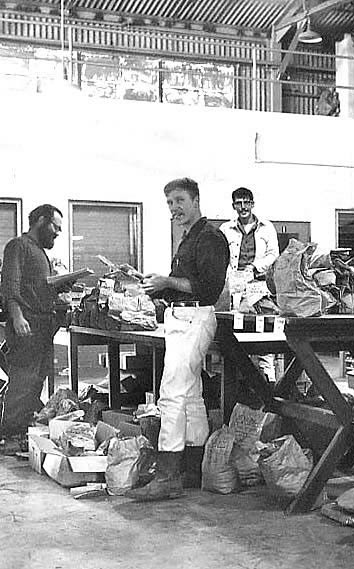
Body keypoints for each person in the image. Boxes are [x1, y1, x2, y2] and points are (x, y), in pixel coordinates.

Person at [129, 177, 229, 501]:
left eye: (179, 201)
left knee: (171, 393)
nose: (174, 209)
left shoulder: (210, 237)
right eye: (169, 203)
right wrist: (160, 286)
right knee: (191, 395)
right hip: (181, 318)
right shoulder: (189, 238)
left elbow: (208, 289)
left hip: (194, 318)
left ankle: (169, 474)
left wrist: (166, 281)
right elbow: (187, 281)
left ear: (196, 199)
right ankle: (192, 468)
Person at [0, 204, 64, 454]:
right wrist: (17, 317)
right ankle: (12, 435)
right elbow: (10, 285)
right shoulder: (18, 246)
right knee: (22, 380)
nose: (58, 233)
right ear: (40, 221)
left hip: (42, 324)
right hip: (26, 323)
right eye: (55, 227)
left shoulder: (39, 252)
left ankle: (24, 433)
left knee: (36, 380)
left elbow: (35, 286)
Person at [219, 187, 279, 380]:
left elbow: (273, 254)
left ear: (253, 204)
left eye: (247, 202)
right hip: (235, 286)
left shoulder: (266, 227)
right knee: (236, 328)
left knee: (263, 329)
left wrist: (255, 267)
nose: (243, 207)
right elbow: (220, 257)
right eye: (239, 203)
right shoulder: (225, 229)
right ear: (233, 206)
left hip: (258, 285)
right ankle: (242, 380)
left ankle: (268, 379)